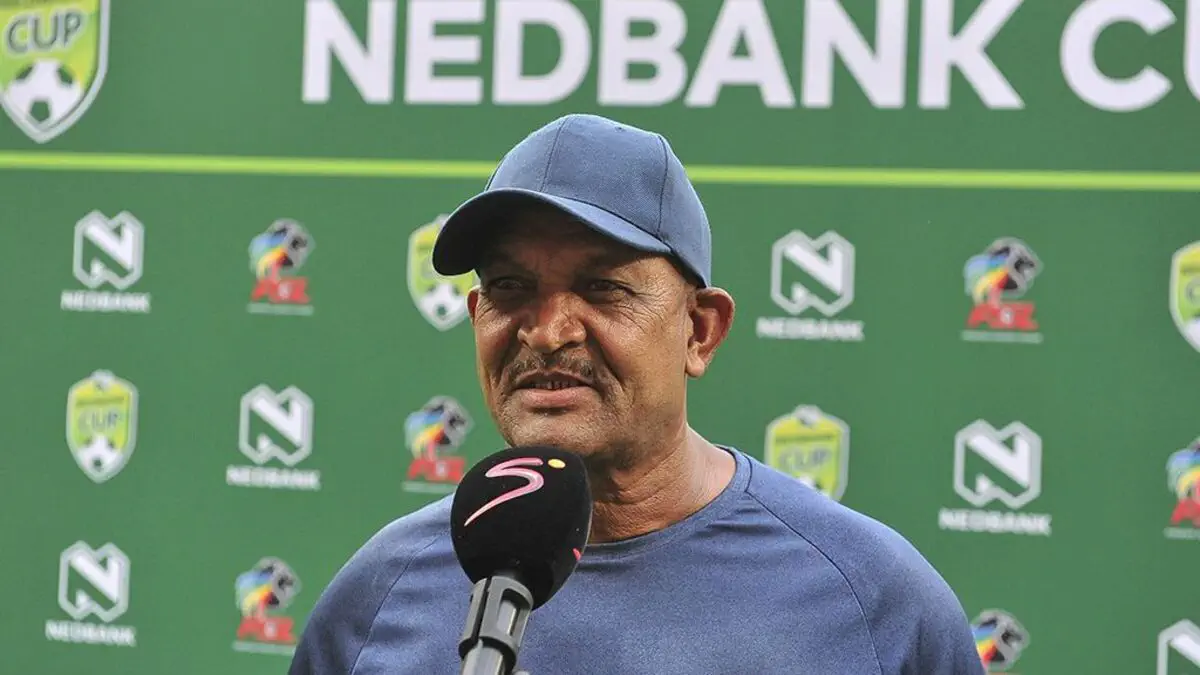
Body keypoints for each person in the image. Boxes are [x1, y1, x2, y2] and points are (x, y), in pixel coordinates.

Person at [288, 114, 985, 675]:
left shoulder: (873, 602)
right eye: (509, 287)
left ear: (700, 331)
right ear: (476, 317)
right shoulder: (379, 596)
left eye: (603, 288)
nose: (547, 331)